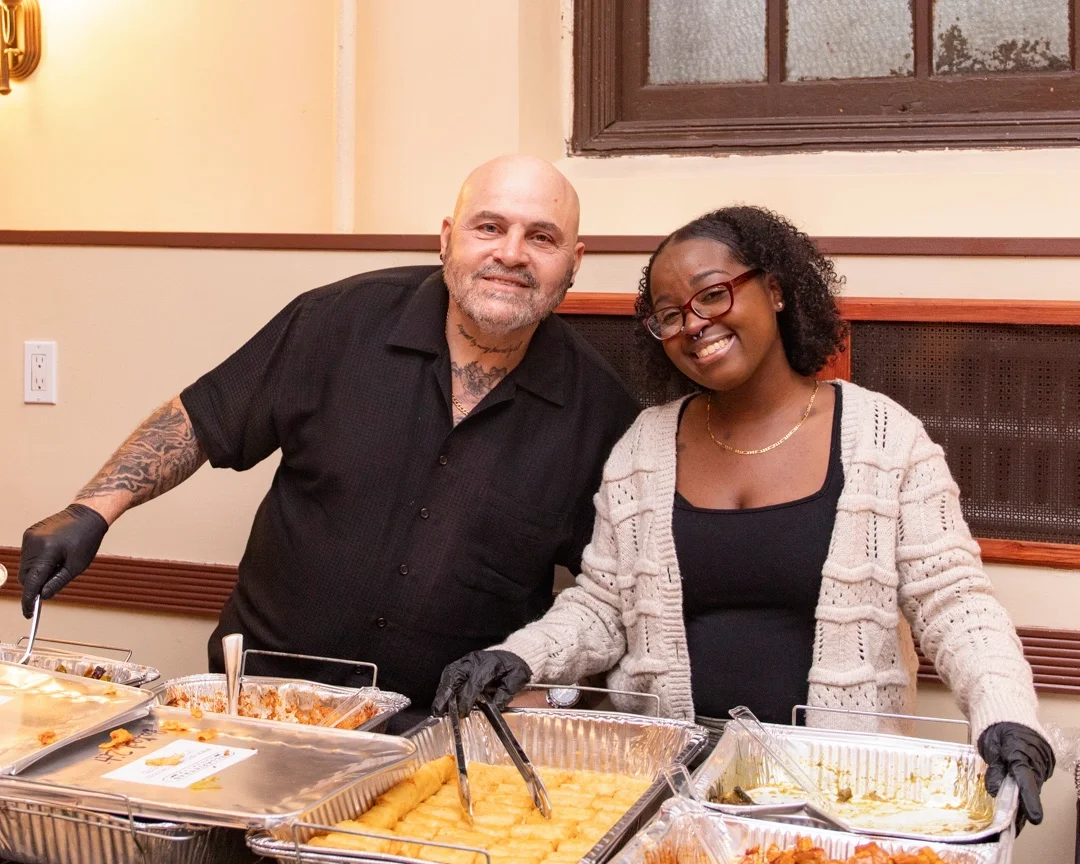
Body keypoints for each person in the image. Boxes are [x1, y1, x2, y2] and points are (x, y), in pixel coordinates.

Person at [434, 206, 1055, 829]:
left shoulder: (884, 436)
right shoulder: (644, 447)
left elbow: (955, 603)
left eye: (713, 294)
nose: (694, 325)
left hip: (839, 800)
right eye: (671, 315)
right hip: (667, 797)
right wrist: (520, 657)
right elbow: (601, 604)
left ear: (777, 289)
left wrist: (1006, 717)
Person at [17, 154, 639, 730]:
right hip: (260, 701)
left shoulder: (604, 413)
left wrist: (547, 684)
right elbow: (201, 420)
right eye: (489, 227)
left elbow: (606, 597)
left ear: (574, 260)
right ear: (447, 237)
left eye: (541, 237)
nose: (511, 253)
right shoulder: (337, 320)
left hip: (441, 733)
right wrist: (91, 510)